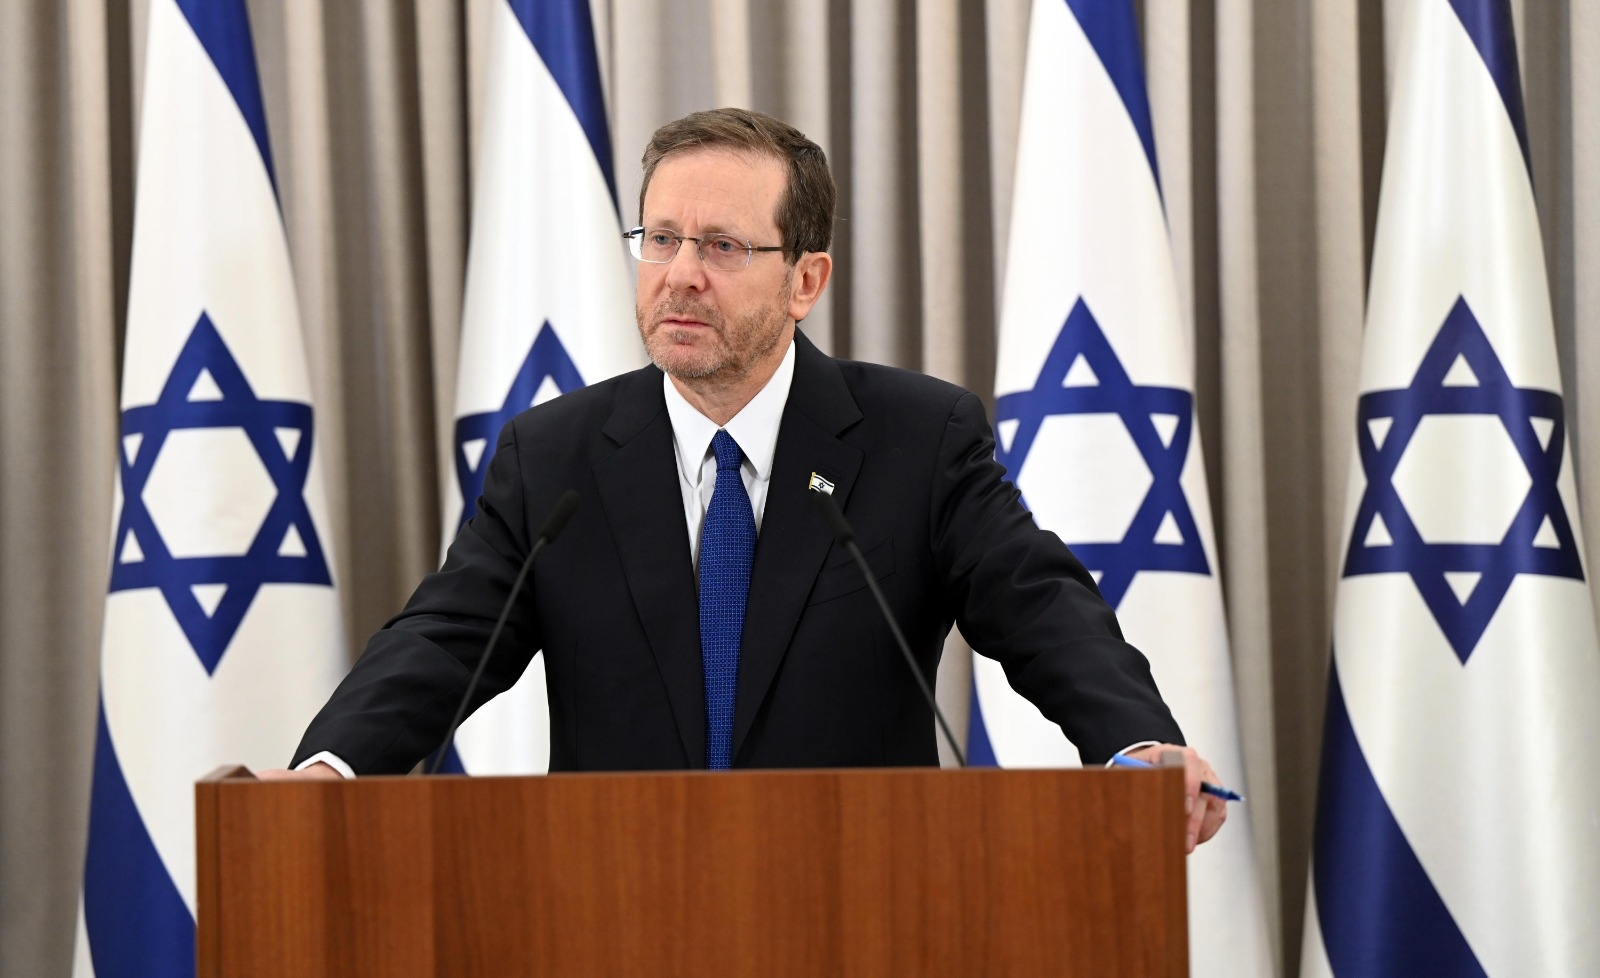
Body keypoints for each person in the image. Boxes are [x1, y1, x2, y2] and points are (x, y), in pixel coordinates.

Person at [263, 107, 1226, 854]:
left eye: (721, 246)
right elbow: (444, 636)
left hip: (863, 896)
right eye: (660, 239)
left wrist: (1133, 746)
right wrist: (334, 768)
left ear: (806, 281)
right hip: (607, 899)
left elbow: (1039, 605)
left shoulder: (917, 439)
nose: (679, 275)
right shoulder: (553, 456)